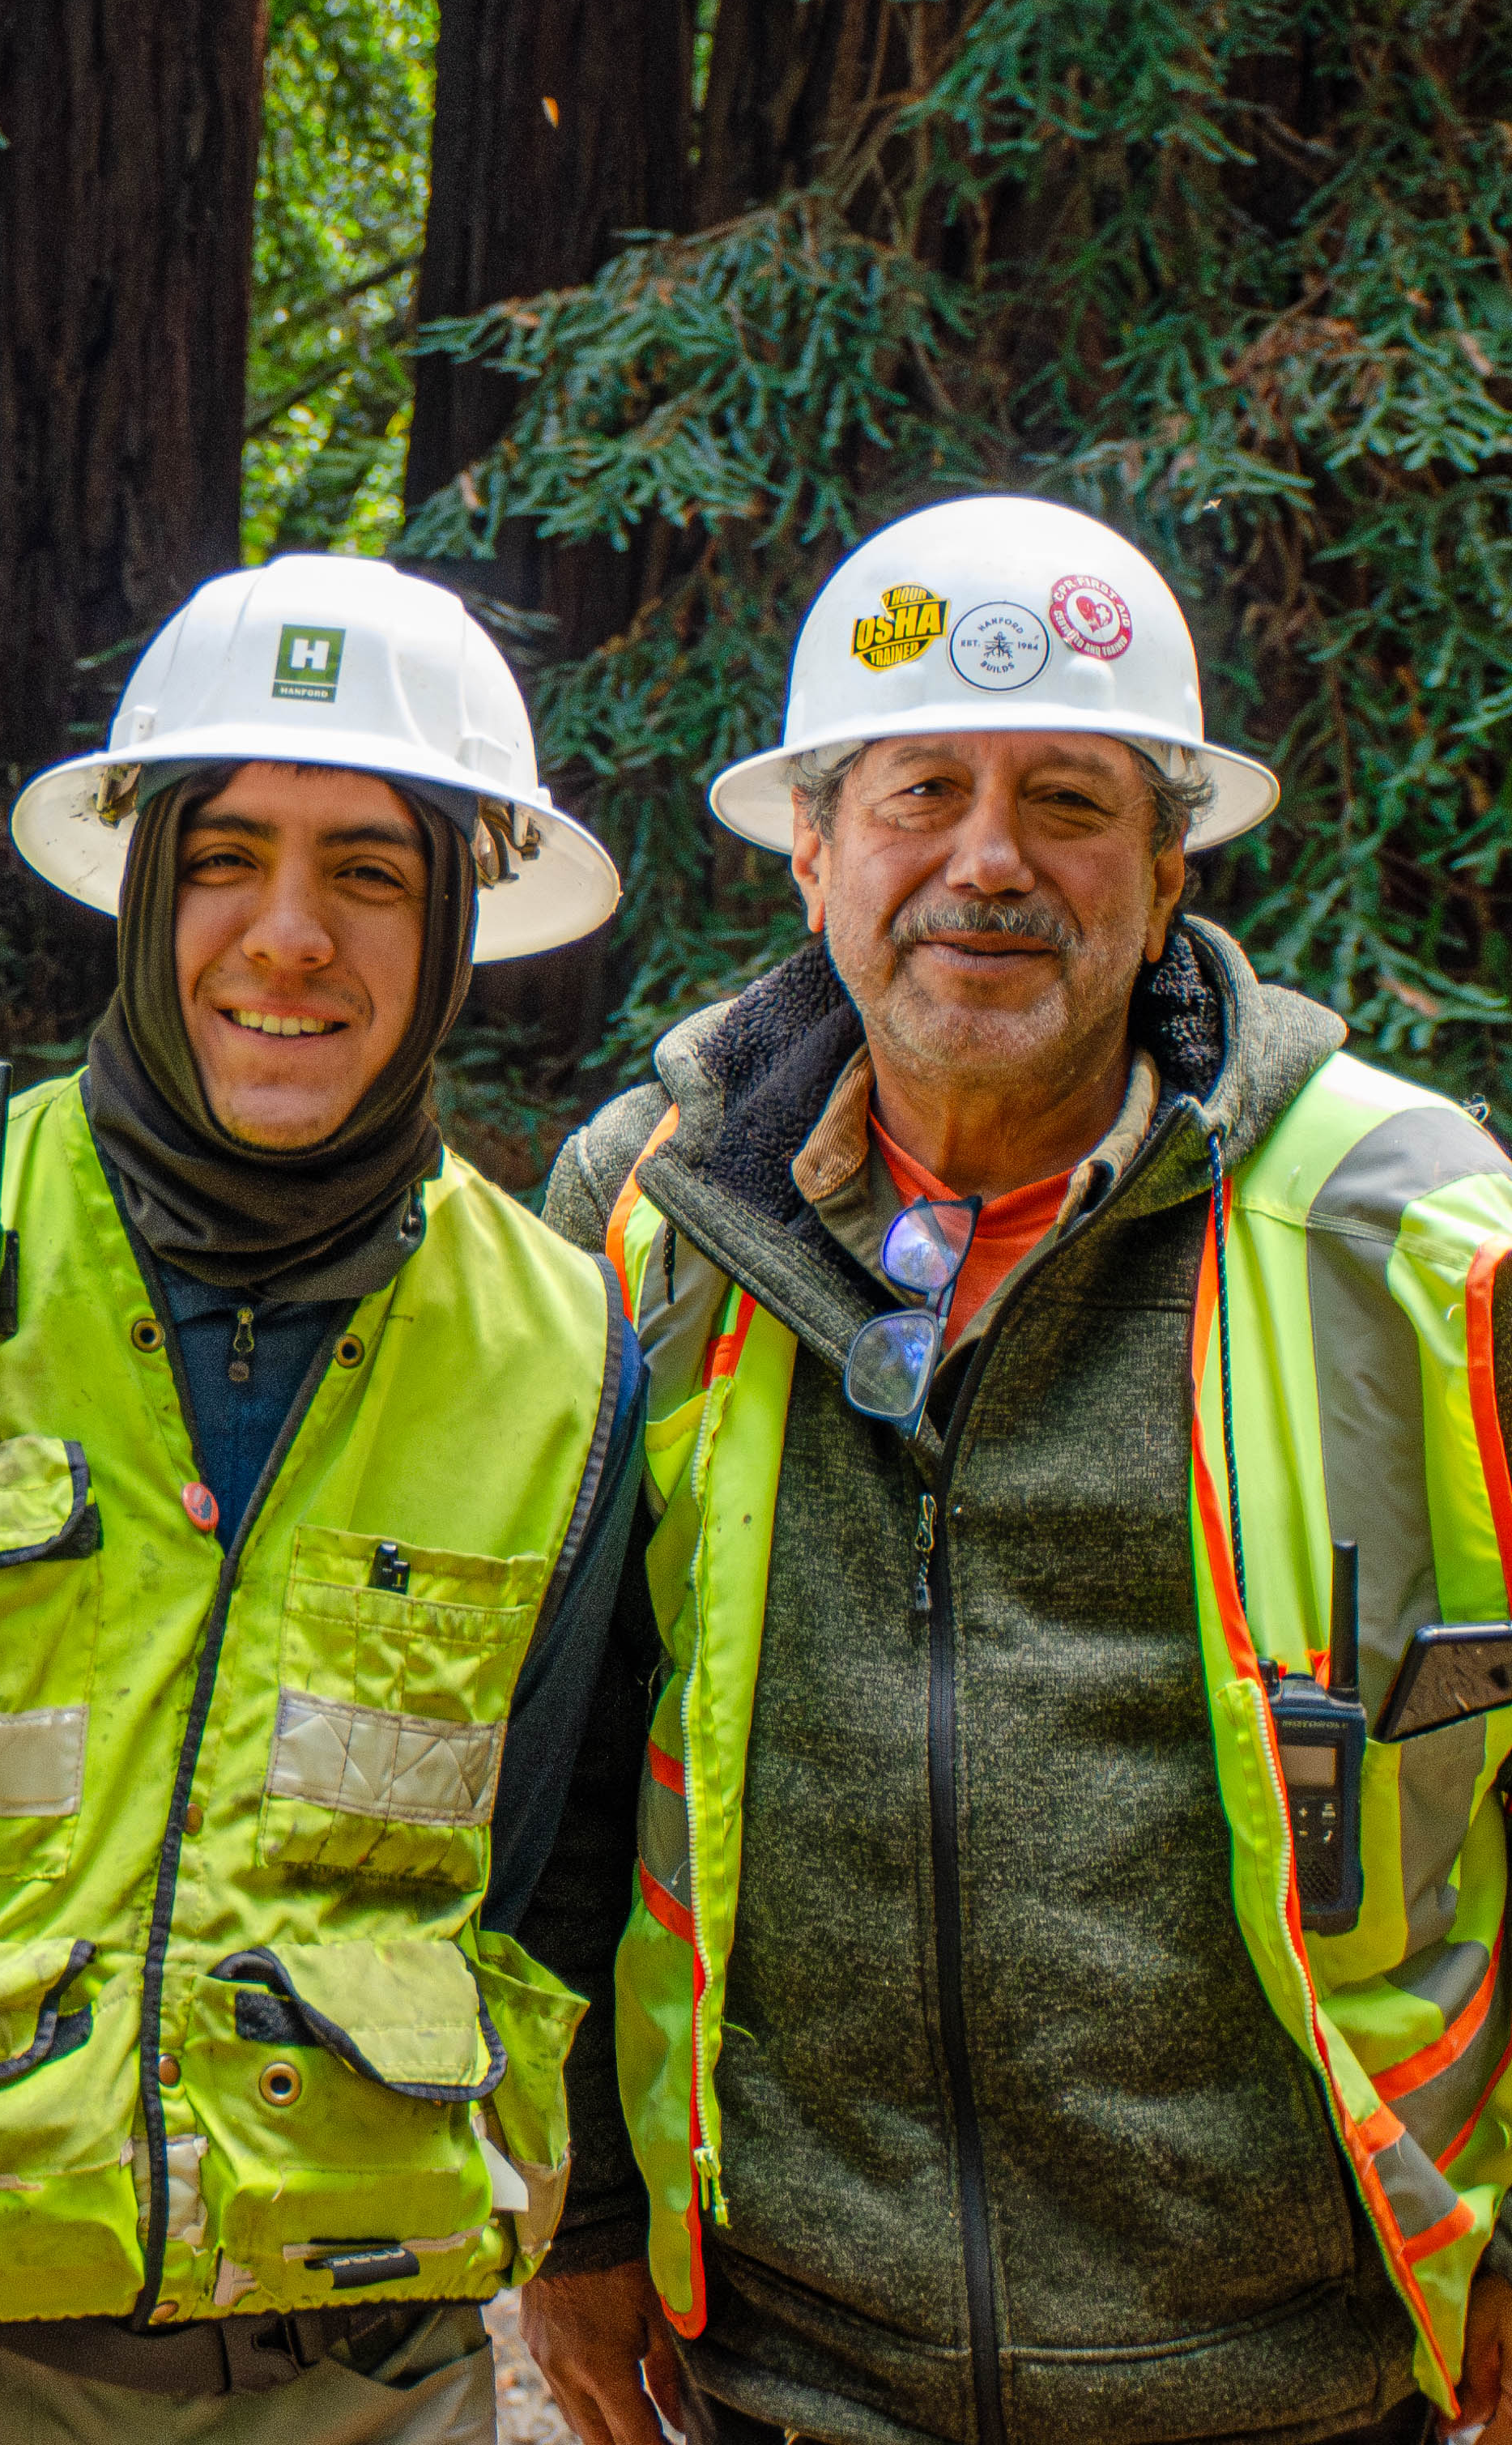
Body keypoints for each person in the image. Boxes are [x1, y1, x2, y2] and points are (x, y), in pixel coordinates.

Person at [519, 495, 1512, 2445]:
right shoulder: (647, 1220)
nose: (987, 864)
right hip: (785, 2380)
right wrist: (586, 2214)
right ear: (812, 855)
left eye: (1065, 800)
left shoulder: (1416, 1237)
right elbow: (554, 1772)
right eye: (917, 795)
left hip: (1299, 2381)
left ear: (1165, 875)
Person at [0, 554, 649, 2439]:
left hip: (359, 2376)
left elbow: (554, 1865)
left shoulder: (561, 1349)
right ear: (142, 893)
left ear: (457, 916)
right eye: (225, 859)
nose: (286, 937)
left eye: (368, 870)